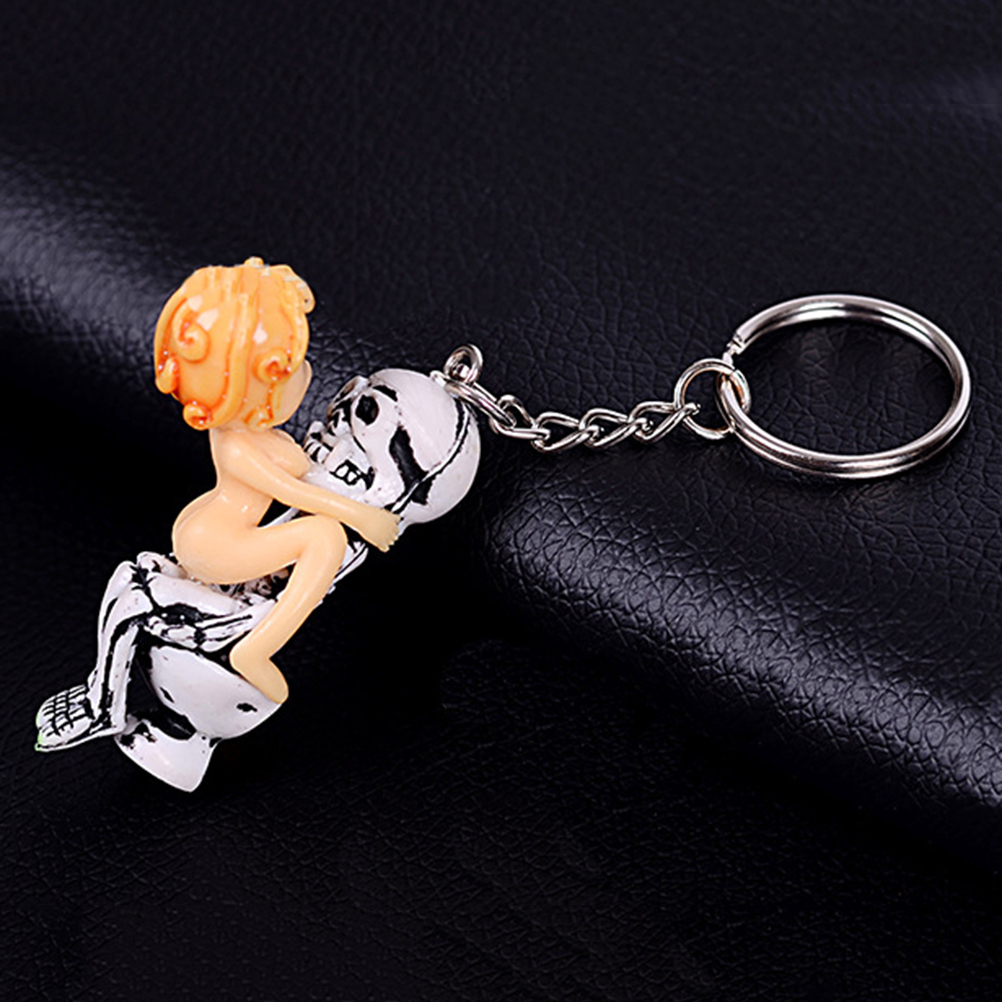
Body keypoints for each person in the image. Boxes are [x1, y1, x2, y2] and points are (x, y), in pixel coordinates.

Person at [154, 258, 399, 703]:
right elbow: (293, 492)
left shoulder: (248, 433)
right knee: (325, 537)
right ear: (254, 390)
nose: (308, 374)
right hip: (212, 542)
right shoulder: (238, 447)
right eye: (293, 368)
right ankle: (256, 651)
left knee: (313, 532)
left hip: (209, 526)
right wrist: (363, 518)